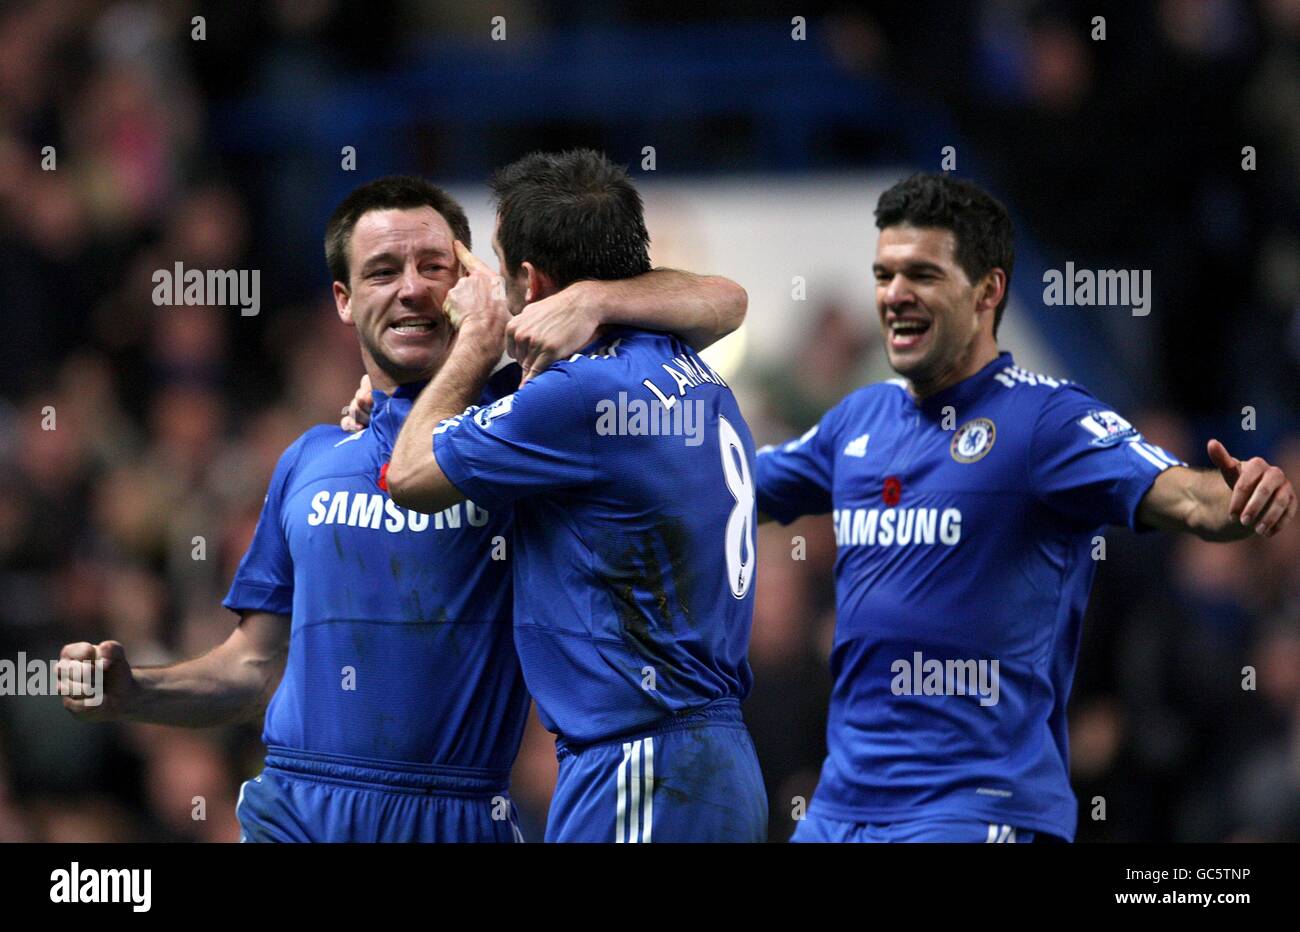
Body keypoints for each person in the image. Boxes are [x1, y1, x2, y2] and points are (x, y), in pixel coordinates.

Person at [58, 174, 748, 842]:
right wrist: (136, 692)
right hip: (297, 806)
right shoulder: (311, 458)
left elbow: (722, 301)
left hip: (460, 812)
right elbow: (251, 666)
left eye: (432, 265)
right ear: (343, 300)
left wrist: (589, 299)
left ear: (474, 286)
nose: (412, 286)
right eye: (383, 270)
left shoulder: (530, 431)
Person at [756, 172, 1297, 843]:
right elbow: (728, 490)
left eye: (921, 274)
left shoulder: (1046, 422)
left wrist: (1241, 498)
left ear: (988, 291)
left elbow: (1186, 494)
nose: (894, 295)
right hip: (844, 811)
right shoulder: (857, 422)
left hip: (974, 809)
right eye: (884, 274)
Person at [382, 150, 768, 842]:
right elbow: (727, 297)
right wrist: (592, 297)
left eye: (499, 270)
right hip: (713, 759)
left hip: (641, 763)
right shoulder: (684, 357)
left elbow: (408, 477)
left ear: (531, 280)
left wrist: (475, 342)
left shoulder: (580, 396)